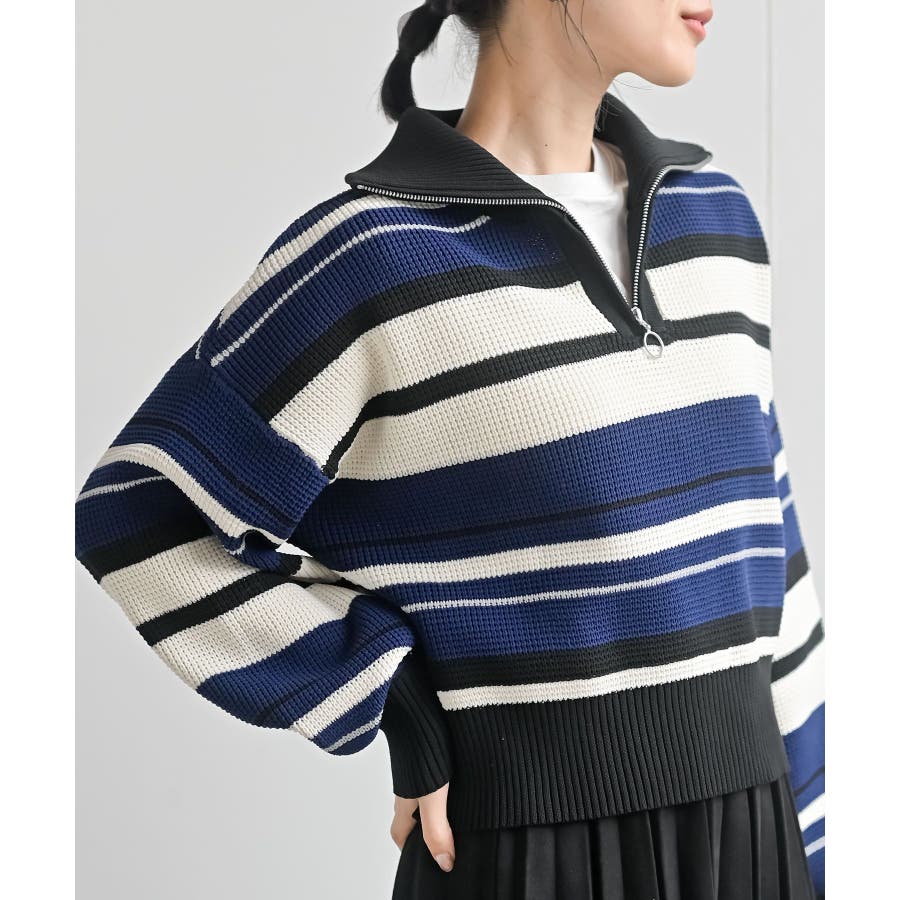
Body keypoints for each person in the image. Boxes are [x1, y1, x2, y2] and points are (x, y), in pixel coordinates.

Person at [74, 1, 826, 897]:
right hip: (530, 861)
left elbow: (771, 555)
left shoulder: (716, 225)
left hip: (751, 843)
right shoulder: (371, 258)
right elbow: (135, 516)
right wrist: (387, 692)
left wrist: (821, 840)